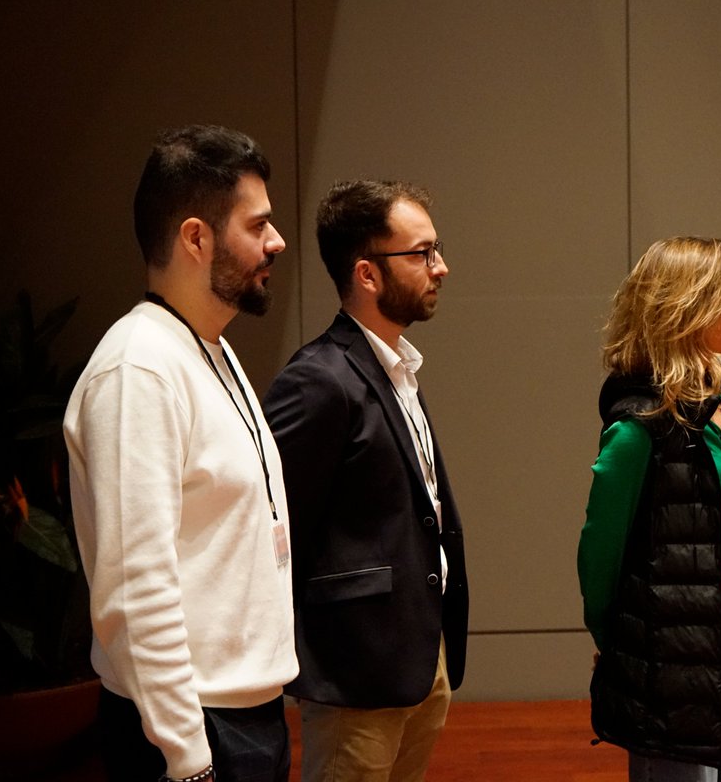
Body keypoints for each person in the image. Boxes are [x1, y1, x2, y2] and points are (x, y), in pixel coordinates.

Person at [64, 124, 297, 782]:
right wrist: (186, 756)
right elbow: (136, 588)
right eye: (258, 226)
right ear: (196, 237)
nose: (276, 242)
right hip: (191, 734)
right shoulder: (139, 368)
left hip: (239, 717)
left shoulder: (206, 349)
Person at [578, 236, 721, 782]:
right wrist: (618, 645)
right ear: (688, 311)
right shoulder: (639, 428)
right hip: (671, 646)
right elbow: (600, 555)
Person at [263, 179, 468, 782]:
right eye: (422, 253)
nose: (441, 267)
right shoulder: (320, 379)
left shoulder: (397, 367)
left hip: (418, 652)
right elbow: (273, 527)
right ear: (368, 274)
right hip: (356, 671)